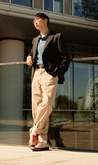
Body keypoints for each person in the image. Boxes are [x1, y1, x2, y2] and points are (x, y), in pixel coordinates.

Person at [26, 13, 70, 151]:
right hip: (36, 74)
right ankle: (43, 140)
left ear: (45, 20)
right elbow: (33, 54)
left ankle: (34, 130)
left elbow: (66, 58)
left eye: (37, 20)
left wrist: (57, 74)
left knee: (47, 104)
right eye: (33, 21)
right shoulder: (34, 40)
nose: (35, 23)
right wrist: (28, 56)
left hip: (49, 74)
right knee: (36, 106)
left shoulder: (57, 37)